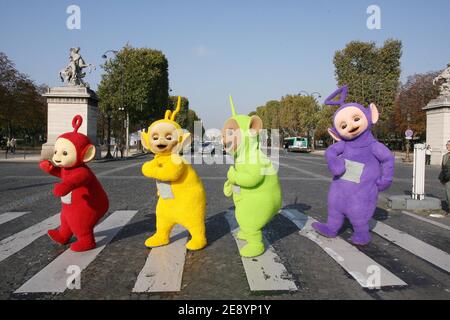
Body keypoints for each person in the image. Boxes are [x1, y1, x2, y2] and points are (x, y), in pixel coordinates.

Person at [439, 140, 450, 213]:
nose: (448, 146)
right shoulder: (445, 156)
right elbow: (443, 167)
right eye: (447, 145)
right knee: (448, 194)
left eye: (449, 145)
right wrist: (442, 178)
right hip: (447, 177)